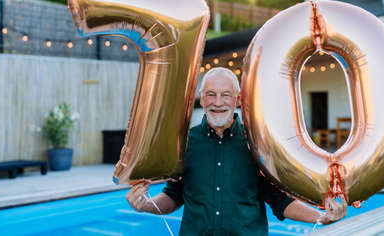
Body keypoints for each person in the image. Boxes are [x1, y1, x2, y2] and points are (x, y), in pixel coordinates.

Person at [126, 67, 347, 235]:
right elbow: (173, 197)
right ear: (202, 99)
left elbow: (279, 200)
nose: (218, 102)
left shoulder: (258, 142)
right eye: (211, 94)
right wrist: (145, 204)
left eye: (226, 95)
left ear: (238, 99)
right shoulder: (184, 143)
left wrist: (321, 216)